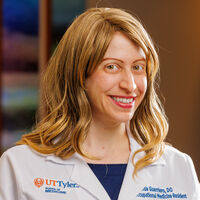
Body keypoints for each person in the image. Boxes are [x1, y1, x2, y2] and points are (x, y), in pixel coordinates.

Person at [0, 7, 199, 200]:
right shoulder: (19, 167)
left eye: (138, 67)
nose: (130, 85)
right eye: (112, 67)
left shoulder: (178, 168)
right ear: (78, 75)